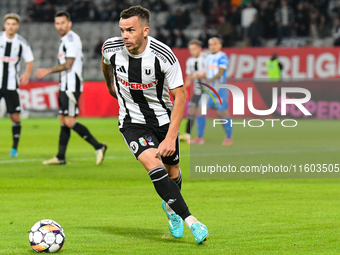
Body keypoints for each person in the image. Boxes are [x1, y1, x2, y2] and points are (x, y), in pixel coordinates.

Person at [101, 6, 209, 244]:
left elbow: (180, 96)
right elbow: (106, 62)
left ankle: (170, 208)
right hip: (132, 121)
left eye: (131, 30)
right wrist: (110, 86)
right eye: (122, 30)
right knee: (154, 165)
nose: (125, 35)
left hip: (163, 120)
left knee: (174, 173)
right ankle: (192, 221)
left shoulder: (163, 55)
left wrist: (171, 137)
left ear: (145, 30)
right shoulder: (111, 48)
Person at [35, 11, 107, 165]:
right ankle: (60, 156)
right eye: (57, 23)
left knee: (69, 120)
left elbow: (68, 64)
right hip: (65, 84)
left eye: (63, 23)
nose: (60, 26)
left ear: (69, 23)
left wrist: (47, 70)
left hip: (71, 86)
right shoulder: (64, 40)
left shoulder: (72, 39)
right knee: (63, 119)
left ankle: (98, 146)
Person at [0, 13, 34, 157]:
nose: (10, 27)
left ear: (17, 26)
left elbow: (30, 60)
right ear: (4, 25)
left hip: (12, 85)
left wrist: (26, 73)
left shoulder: (21, 42)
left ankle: (14, 148)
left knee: (15, 117)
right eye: (8, 24)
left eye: (13, 24)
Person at [189, 37, 233, 146]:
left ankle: (228, 137)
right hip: (209, 90)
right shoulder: (207, 58)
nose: (213, 46)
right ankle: (200, 137)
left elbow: (220, 72)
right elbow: (206, 71)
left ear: (220, 45)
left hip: (219, 89)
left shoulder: (222, 56)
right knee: (200, 110)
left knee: (223, 113)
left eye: (215, 44)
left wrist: (209, 80)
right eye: (211, 44)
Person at [179, 40, 206, 143]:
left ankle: (200, 137)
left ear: (199, 49)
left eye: (194, 49)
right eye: (190, 49)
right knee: (191, 111)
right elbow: (189, 76)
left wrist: (196, 75)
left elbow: (209, 73)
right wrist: (184, 88)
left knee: (201, 112)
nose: (192, 51)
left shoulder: (206, 59)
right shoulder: (190, 61)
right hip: (198, 90)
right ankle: (187, 134)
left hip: (208, 90)